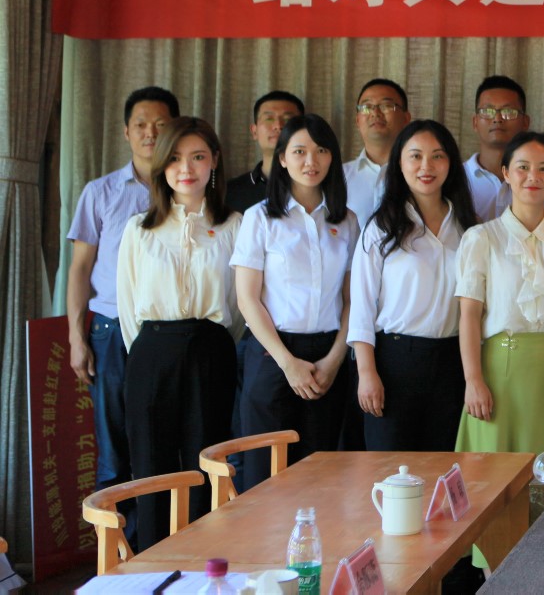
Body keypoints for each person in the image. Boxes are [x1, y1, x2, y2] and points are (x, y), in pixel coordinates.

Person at [116, 116, 239, 548]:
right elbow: (128, 308)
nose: (186, 168)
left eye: (197, 157)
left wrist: (211, 344)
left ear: (214, 161)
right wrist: (153, 353)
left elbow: (239, 307)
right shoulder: (138, 229)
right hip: (152, 352)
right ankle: (154, 566)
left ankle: (205, 564)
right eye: (174, 158)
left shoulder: (235, 225)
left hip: (211, 349)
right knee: (152, 466)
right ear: (161, 166)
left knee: (206, 462)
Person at [66, 85, 179, 531]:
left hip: (165, 333)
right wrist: (77, 338)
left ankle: (159, 544)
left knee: (165, 444)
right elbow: (80, 268)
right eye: (141, 125)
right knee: (114, 446)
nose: (150, 133)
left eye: (161, 125)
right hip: (110, 330)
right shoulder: (101, 192)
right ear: (125, 132)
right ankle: (114, 555)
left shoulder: (188, 188)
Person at [231, 114, 354, 491]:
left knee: (320, 479)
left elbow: (352, 300)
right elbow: (247, 299)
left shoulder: (346, 221)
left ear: (332, 157)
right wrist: (287, 363)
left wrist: (334, 360)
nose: (310, 161)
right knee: (265, 480)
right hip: (273, 356)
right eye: (299, 151)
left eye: (320, 151)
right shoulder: (259, 218)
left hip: (327, 359)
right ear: (282, 158)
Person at [455, 131, 544, 482]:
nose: (533, 177)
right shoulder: (481, 238)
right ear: (506, 173)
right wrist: (473, 380)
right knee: (494, 477)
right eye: (523, 167)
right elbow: (469, 316)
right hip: (498, 372)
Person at [349, 119, 478, 451]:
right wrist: (367, 373)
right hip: (394, 362)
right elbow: (361, 306)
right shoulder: (381, 228)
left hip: (452, 363)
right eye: (415, 156)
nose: (426, 167)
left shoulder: (468, 228)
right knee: (390, 469)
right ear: (399, 163)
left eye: (437, 156)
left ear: (451, 163)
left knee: (444, 468)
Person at [343, 79, 411, 229]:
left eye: (386, 106)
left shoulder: (421, 175)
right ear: (357, 120)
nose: (375, 113)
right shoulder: (338, 177)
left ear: (406, 119)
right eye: (366, 107)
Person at [225, 91, 304, 215]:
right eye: (269, 118)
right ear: (254, 131)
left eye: (288, 119)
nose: (278, 126)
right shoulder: (231, 192)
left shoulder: (314, 187)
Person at [463, 76, 529, 222]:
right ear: (475, 122)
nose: (497, 119)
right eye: (487, 111)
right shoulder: (456, 178)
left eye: (509, 111)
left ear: (525, 122)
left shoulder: (537, 179)